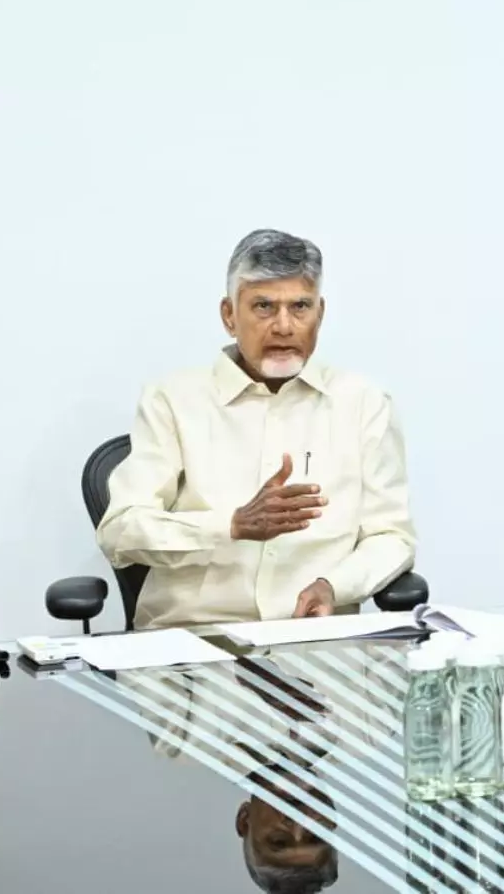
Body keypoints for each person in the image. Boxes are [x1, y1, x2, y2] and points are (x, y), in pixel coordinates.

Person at [97, 229, 417, 628]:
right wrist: (231, 525)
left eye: (300, 307)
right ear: (229, 315)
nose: (284, 326)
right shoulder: (172, 400)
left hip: (312, 638)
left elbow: (391, 537)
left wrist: (334, 586)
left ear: (320, 314)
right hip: (192, 639)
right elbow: (120, 531)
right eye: (264, 307)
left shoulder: (365, 404)